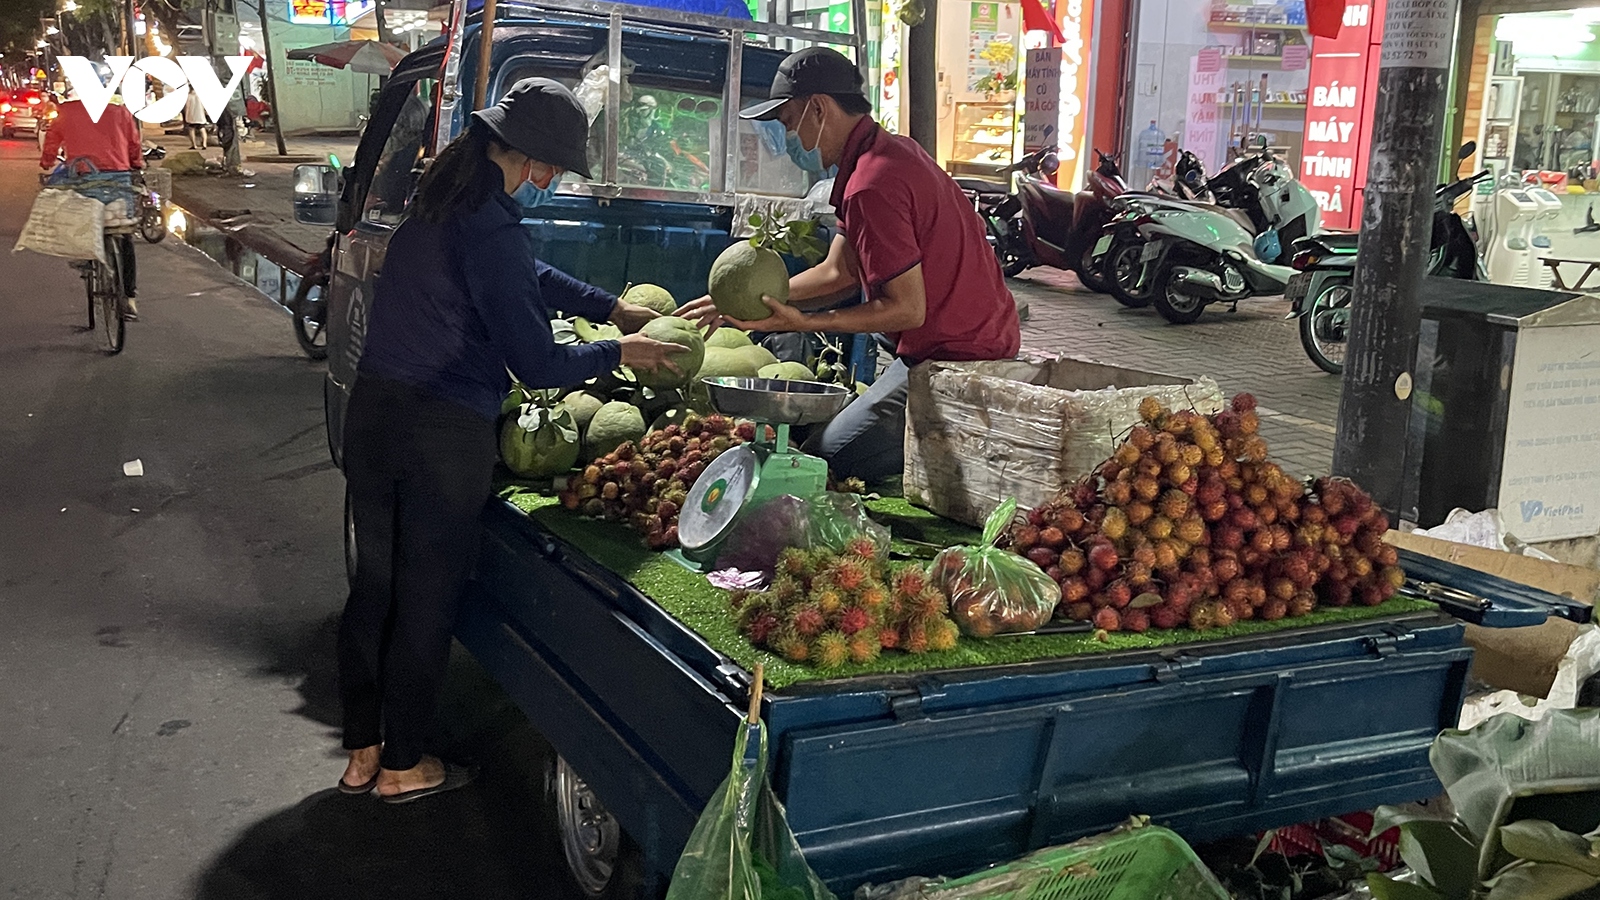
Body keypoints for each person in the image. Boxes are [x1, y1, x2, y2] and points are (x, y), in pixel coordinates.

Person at [336, 77, 687, 804]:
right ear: (521, 155)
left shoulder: (442, 202)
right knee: (427, 594)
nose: (551, 179)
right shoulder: (490, 223)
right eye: (550, 166)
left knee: (376, 587)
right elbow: (537, 363)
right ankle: (404, 765)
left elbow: (527, 276)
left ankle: (363, 753)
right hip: (441, 430)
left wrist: (610, 308)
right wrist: (623, 353)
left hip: (375, 414)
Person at [681, 47, 1021, 482]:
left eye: (788, 124)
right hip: (951, 341)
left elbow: (907, 309)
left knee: (827, 460)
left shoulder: (871, 185)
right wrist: (741, 301)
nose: (789, 142)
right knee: (822, 444)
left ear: (818, 109)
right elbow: (837, 272)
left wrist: (801, 324)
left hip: (959, 359)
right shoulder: (883, 155)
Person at [40, 92, 144, 320]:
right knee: (123, 233)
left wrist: (47, 161)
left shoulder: (67, 112)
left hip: (83, 176)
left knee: (81, 218)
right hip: (119, 178)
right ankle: (130, 298)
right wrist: (136, 164)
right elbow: (134, 143)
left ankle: (84, 255)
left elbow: (52, 140)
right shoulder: (120, 112)